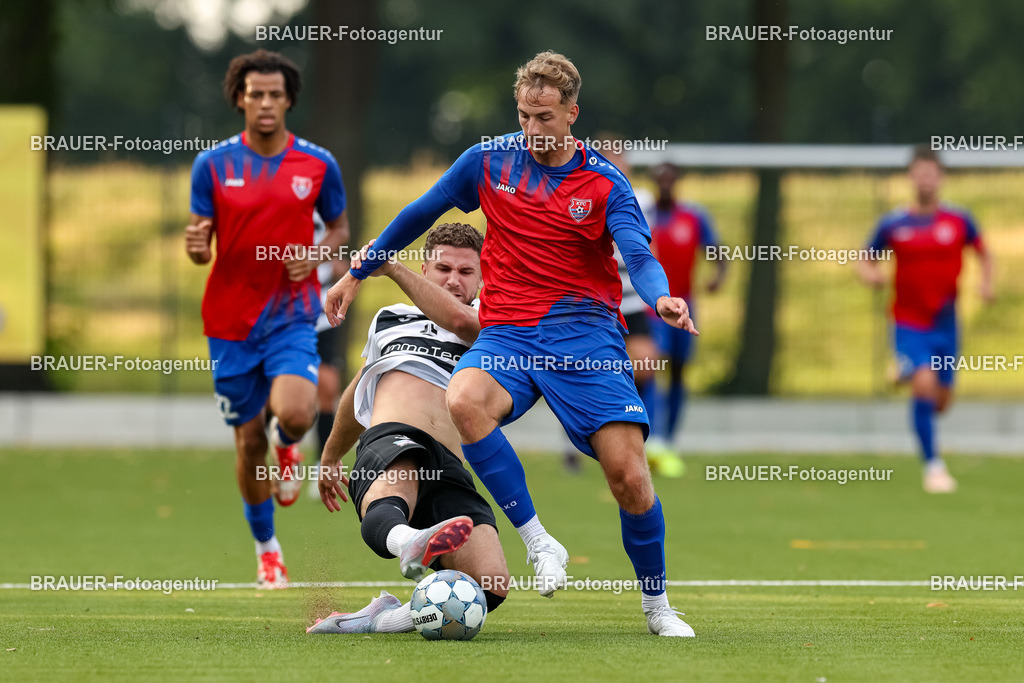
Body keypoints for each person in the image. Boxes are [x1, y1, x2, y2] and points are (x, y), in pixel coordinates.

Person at [326, 51, 696, 637]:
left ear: (572, 113)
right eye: (524, 115)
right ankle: (540, 541)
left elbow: (639, 254)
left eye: (545, 117)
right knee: (465, 399)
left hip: (587, 340)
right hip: (509, 335)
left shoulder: (606, 183)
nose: (533, 129)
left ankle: (657, 606)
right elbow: (418, 214)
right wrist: (356, 272)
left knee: (629, 478)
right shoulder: (487, 161)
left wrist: (661, 298)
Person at [185, 49, 349, 588]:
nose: (265, 103)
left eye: (275, 94)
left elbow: (340, 231)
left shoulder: (318, 164)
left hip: (291, 316)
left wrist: (319, 255)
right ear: (239, 98)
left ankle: (289, 447)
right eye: (256, 93)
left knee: (298, 413)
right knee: (246, 443)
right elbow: (200, 242)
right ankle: (267, 548)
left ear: (288, 100)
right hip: (230, 323)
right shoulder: (211, 165)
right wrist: (194, 244)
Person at [309, 223, 510, 634]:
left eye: (466, 272)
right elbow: (358, 389)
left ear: (482, 277)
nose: (454, 279)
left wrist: (392, 267)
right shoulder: (389, 318)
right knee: (395, 488)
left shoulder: (492, 326)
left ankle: (381, 618)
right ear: (425, 267)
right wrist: (330, 455)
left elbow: (461, 321)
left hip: (450, 462)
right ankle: (408, 543)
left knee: (491, 585)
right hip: (393, 436)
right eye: (443, 268)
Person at [857, 145, 993, 494]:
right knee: (924, 383)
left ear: (941, 177)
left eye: (931, 173)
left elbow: (983, 251)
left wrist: (985, 283)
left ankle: (906, 371)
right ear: (911, 177)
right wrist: (870, 274)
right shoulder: (894, 223)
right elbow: (865, 258)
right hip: (908, 321)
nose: (926, 180)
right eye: (919, 173)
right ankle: (933, 466)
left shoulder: (958, 220)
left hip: (946, 323)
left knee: (941, 401)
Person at [645, 163, 726, 462]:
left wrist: (718, 276)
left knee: (678, 372)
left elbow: (717, 251)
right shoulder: (643, 214)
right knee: (650, 367)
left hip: (684, 306)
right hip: (652, 308)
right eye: (660, 179)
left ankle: (669, 439)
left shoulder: (693, 216)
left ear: (677, 181)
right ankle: (652, 437)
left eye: (670, 179)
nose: (665, 184)